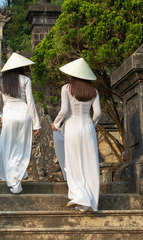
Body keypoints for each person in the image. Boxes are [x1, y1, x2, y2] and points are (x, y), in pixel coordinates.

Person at [52, 58, 102, 212]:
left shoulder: (66, 88)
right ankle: (89, 201)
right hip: (87, 125)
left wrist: (56, 123)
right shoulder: (94, 91)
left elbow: (65, 110)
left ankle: (80, 197)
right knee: (89, 163)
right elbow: (98, 113)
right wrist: (90, 124)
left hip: (72, 126)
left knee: (73, 161)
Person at [0, 53, 41, 194]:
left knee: (9, 147)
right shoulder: (25, 79)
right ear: (20, 67)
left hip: (9, 116)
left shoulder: (0, 81)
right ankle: (17, 177)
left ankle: (15, 180)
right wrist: (37, 123)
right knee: (21, 147)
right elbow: (30, 102)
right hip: (24, 114)